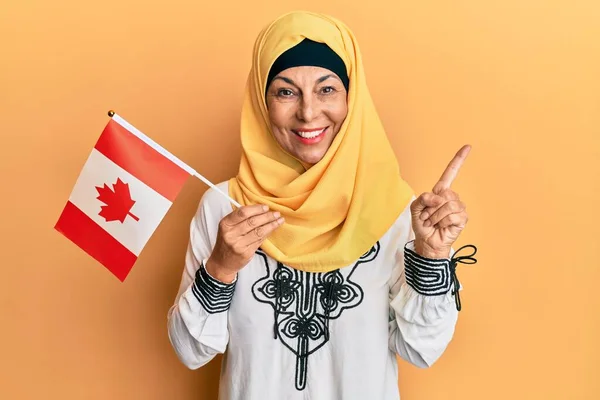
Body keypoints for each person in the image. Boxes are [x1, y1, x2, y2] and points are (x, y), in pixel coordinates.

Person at [167, 10, 477, 400]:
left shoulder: (396, 212)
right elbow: (191, 350)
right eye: (285, 91)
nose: (308, 112)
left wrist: (432, 255)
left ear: (353, 97)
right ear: (261, 102)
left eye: (327, 89)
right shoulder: (225, 207)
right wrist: (221, 268)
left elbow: (420, 349)